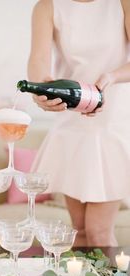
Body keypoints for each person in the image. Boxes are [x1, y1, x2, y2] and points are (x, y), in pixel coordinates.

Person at [28, 0, 130, 247]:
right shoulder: (47, 6)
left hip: (113, 120)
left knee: (98, 231)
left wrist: (111, 76)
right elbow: (38, 60)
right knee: (80, 230)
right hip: (71, 120)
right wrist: (41, 89)